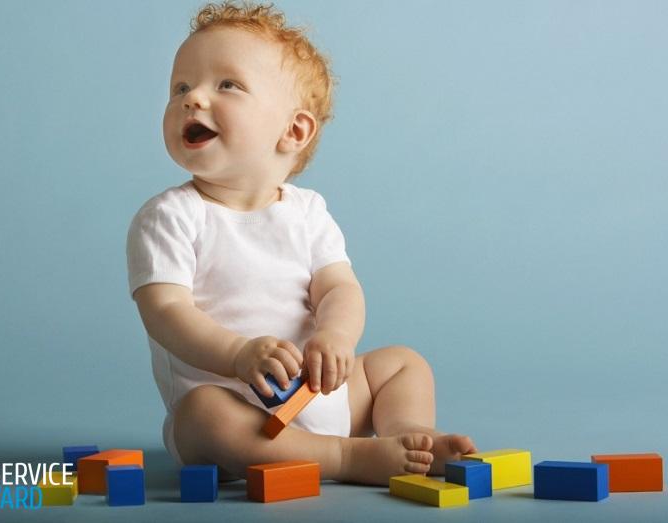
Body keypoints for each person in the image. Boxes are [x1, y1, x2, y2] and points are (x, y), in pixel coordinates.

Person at [127, 0, 477, 485]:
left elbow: (339, 288)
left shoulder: (307, 212)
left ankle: (409, 436)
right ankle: (346, 458)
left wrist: (335, 337)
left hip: (321, 393)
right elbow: (165, 312)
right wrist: (238, 354)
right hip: (238, 414)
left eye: (226, 85)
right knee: (201, 413)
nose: (193, 99)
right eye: (180, 87)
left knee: (403, 364)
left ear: (293, 130)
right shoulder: (168, 217)